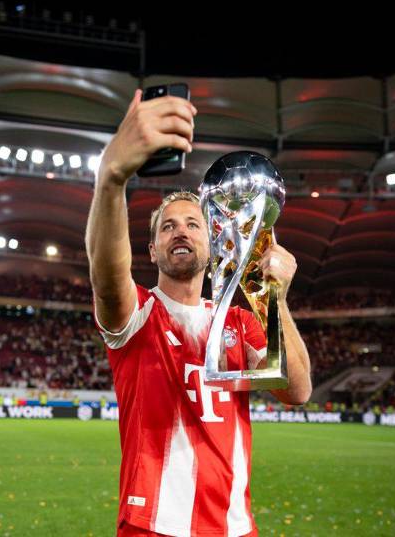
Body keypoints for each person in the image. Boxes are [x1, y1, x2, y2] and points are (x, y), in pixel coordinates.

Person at [85, 89, 312, 536]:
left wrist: (276, 299)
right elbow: (107, 277)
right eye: (167, 227)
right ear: (152, 250)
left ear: (214, 244)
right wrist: (111, 179)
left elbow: (297, 390)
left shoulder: (239, 322)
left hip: (234, 526)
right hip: (153, 526)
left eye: (193, 224)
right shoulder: (139, 314)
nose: (180, 232)